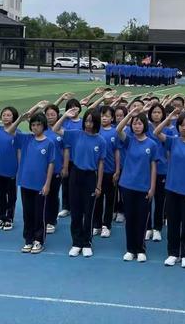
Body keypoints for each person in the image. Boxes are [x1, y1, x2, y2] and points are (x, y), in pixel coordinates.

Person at [53, 108, 105, 258]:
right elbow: (56, 129)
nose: (88, 124)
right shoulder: (76, 135)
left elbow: (101, 164)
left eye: (91, 121)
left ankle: (87, 242)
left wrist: (99, 185)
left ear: (96, 123)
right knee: (75, 211)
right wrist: (65, 116)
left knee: (88, 211)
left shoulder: (100, 141)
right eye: (86, 121)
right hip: (76, 174)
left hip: (90, 176)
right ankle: (76, 242)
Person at [154, 109, 185, 269]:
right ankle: (173, 253)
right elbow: (156, 131)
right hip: (171, 188)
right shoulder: (172, 141)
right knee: (173, 223)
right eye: (181, 125)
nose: (184, 128)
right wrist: (168, 118)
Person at [7, 111, 55, 254]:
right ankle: (28, 239)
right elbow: (10, 131)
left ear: (43, 126)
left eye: (38, 125)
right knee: (27, 213)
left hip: (40, 185)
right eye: (33, 125)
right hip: (26, 183)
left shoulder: (49, 143)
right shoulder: (26, 139)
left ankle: (38, 240)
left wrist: (47, 184)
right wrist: (20, 118)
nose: (35, 127)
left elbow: (51, 164)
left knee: (39, 213)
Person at [116, 109, 157, 262]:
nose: (137, 126)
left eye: (139, 123)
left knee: (141, 219)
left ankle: (140, 249)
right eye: (134, 124)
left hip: (143, 187)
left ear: (144, 125)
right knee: (130, 218)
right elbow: (118, 129)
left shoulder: (151, 144)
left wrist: (152, 187)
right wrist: (130, 114)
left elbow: (153, 166)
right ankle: (130, 248)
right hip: (127, 185)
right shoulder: (129, 140)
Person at [0, 105, 20, 231]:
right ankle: (0, 217)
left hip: (11, 169)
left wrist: (19, 168)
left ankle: (9, 218)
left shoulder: (17, 133)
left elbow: (18, 152)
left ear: (14, 117)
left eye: (9, 115)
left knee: (11, 196)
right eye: (4, 115)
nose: (6, 117)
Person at [93, 106, 120, 238]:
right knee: (97, 199)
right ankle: (97, 225)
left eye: (107, 116)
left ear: (112, 118)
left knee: (109, 200)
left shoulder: (115, 132)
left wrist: (117, 169)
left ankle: (106, 225)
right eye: (102, 115)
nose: (104, 118)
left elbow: (117, 152)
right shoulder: (95, 131)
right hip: (96, 171)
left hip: (110, 171)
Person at [145, 103, 168, 242]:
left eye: (159, 112)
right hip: (146, 170)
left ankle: (157, 228)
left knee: (160, 200)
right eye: (154, 112)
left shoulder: (169, 130)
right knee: (146, 200)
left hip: (162, 170)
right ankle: (147, 227)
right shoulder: (144, 128)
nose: (157, 115)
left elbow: (170, 151)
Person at [43, 104, 68, 234]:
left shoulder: (61, 132)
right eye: (48, 115)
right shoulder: (41, 131)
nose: (50, 117)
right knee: (42, 195)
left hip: (57, 169)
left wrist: (65, 166)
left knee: (53, 195)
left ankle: (51, 221)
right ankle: (42, 219)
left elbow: (65, 150)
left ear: (58, 115)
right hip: (42, 170)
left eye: (53, 114)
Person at [58, 98, 82, 219]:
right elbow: (55, 127)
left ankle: (77, 206)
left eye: (75, 106)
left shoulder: (83, 122)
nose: (73, 109)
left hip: (80, 158)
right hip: (66, 157)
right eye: (70, 107)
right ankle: (66, 207)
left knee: (77, 185)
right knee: (65, 183)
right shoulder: (65, 121)